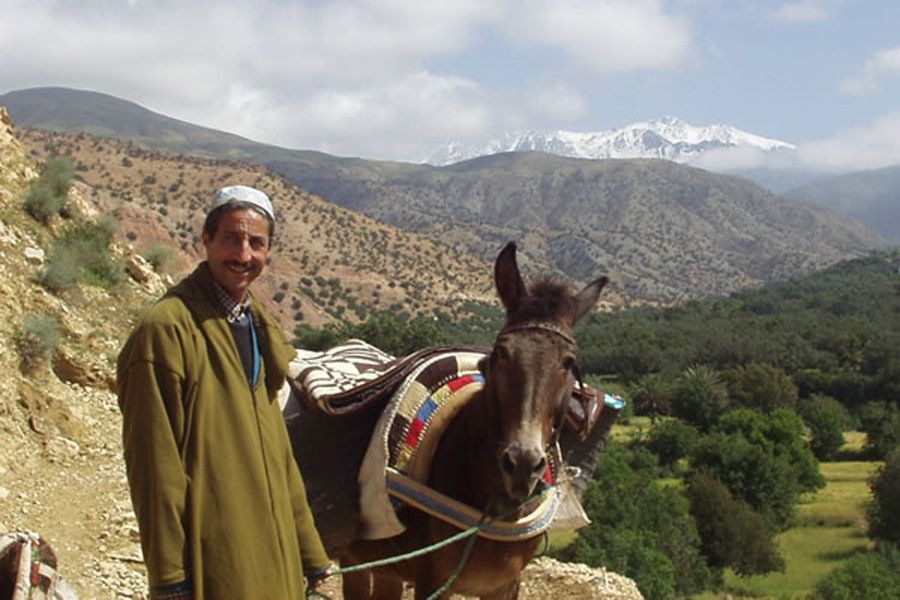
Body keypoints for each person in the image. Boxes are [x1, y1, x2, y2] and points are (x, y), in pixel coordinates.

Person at [117, 185, 332, 599]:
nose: (243, 255)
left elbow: (280, 459)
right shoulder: (165, 331)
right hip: (216, 556)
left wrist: (311, 553)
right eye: (232, 238)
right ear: (206, 239)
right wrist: (169, 578)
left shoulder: (260, 328)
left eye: (257, 243)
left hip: (278, 554)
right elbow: (154, 467)